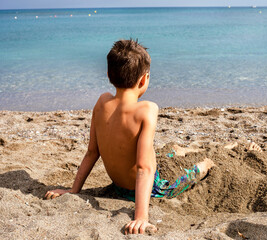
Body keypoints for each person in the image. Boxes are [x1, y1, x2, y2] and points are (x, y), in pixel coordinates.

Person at [44, 39, 215, 235]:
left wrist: (73, 190)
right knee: (185, 177)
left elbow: (92, 152)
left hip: (118, 186)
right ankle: (207, 163)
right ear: (144, 80)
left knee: (159, 155)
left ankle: (176, 151)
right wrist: (141, 216)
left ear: (108, 75)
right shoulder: (146, 110)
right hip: (148, 189)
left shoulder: (101, 102)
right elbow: (144, 167)